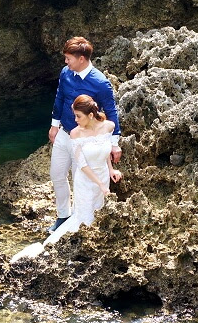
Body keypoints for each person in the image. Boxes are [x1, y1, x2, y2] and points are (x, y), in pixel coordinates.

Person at [12, 95, 123, 261]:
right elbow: (82, 165)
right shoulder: (75, 133)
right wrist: (101, 184)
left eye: (78, 116)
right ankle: (73, 252)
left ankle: (95, 249)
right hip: (86, 179)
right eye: (74, 115)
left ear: (91, 115)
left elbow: (105, 150)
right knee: (85, 216)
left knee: (99, 211)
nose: (75, 120)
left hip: (102, 177)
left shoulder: (108, 126)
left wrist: (111, 170)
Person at [48, 36, 121, 233]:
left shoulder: (100, 83)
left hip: (85, 139)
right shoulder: (66, 73)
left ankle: (80, 220)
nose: (65, 62)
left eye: (68, 58)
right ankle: (63, 215)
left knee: (80, 178)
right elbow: (60, 98)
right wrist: (54, 125)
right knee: (56, 174)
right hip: (64, 133)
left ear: (81, 59)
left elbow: (111, 113)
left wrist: (114, 144)